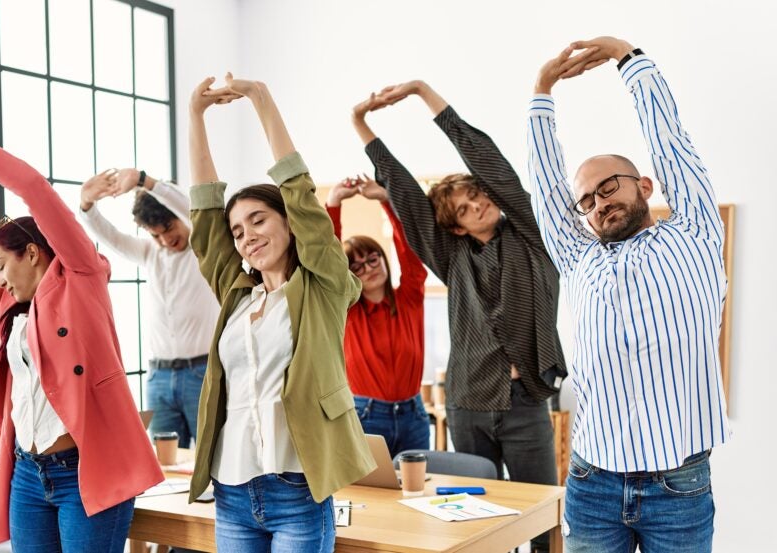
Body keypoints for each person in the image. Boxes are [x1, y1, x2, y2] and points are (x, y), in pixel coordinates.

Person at [529, 37, 729, 552]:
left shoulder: (694, 236)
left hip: (677, 486)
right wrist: (542, 91)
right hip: (592, 483)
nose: (598, 204)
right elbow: (548, 190)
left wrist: (627, 57)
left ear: (643, 184)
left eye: (608, 186)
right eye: (588, 201)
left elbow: (672, 144)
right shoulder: (578, 259)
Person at [352, 79, 567, 552]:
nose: (479, 205)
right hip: (467, 400)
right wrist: (360, 124)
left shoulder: (533, 234)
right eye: (466, 209)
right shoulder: (452, 257)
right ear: (455, 226)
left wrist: (422, 92)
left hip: (525, 399)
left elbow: (489, 162)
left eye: (478, 195)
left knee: (540, 516)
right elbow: (408, 198)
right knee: (473, 522)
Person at [0, 132, 162, 552]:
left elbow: (36, 191)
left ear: (32, 254)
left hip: (85, 471)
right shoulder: (9, 302)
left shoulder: (81, 277)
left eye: (1, 264)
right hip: (29, 473)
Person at [186, 74, 375, 552]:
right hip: (230, 489)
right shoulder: (238, 293)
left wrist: (260, 99)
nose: (246, 235)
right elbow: (205, 221)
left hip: (296, 489)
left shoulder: (323, 286)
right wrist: (195, 115)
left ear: (289, 223)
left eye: (258, 219)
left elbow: (301, 194)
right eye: (238, 230)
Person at [78, 168, 219, 449]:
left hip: (202, 372)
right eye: (155, 235)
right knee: (161, 462)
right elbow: (112, 238)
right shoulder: (149, 253)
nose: (165, 240)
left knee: (210, 453)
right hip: (159, 377)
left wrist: (146, 182)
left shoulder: (204, 247)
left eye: (168, 229)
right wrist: (87, 205)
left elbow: (193, 207)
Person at [325, 174, 429, 456]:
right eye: (356, 267)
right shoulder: (345, 308)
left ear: (383, 259)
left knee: (416, 494)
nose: (368, 268)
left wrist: (386, 200)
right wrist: (333, 205)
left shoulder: (410, 296)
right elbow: (328, 264)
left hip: (414, 415)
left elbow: (409, 250)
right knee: (370, 496)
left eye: (372, 259)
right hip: (367, 415)